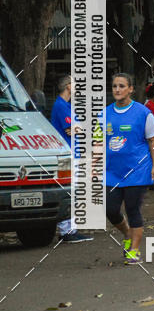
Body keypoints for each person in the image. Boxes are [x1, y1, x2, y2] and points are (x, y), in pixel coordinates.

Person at [106, 73, 154, 264]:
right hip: (112, 172)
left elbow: (153, 141)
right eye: (114, 86)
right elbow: (97, 142)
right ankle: (128, 233)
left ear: (130, 89)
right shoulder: (104, 114)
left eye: (121, 86)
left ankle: (134, 251)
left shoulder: (143, 113)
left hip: (137, 170)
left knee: (132, 208)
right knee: (110, 209)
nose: (117, 90)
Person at [50, 74, 93, 244]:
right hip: (66, 156)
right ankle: (67, 230)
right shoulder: (61, 106)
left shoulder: (65, 106)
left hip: (70, 154)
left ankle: (69, 228)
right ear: (68, 86)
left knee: (73, 191)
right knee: (70, 191)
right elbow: (71, 129)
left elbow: (76, 129)